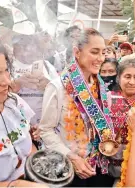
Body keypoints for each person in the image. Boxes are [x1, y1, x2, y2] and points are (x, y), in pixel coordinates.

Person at [39, 28, 116, 187]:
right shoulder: (58, 86)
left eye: (103, 52)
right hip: (68, 168)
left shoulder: (100, 85)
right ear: (77, 52)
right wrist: (72, 157)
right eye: (94, 52)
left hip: (98, 166)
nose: (100, 58)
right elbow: (45, 130)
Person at [0, 34, 45, 187]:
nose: (7, 81)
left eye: (6, 71)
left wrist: (38, 161)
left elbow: (29, 139)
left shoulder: (14, 102)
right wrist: (14, 185)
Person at [11, 34, 58, 126]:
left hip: (42, 127)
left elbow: (61, 93)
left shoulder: (47, 66)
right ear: (14, 46)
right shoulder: (6, 66)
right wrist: (16, 84)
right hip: (14, 128)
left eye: (29, 41)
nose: (27, 48)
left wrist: (49, 86)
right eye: (21, 43)